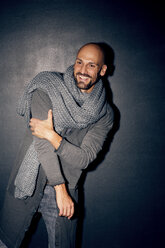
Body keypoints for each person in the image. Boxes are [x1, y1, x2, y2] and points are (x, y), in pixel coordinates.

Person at [0, 43, 114, 248]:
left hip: (67, 190)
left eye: (91, 65)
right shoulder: (46, 87)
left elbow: (84, 158)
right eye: (79, 62)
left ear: (102, 70)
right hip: (28, 181)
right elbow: (41, 144)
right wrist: (60, 189)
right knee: (5, 241)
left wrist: (53, 135)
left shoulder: (105, 114)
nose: (82, 70)